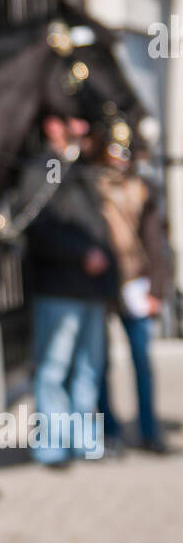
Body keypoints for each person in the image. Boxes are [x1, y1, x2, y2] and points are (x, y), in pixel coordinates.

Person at [23, 115, 117, 465]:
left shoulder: (78, 168)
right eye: (73, 122)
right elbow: (37, 225)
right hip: (60, 288)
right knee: (53, 368)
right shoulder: (43, 169)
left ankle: (85, 441)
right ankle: (53, 445)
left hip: (90, 289)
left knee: (89, 369)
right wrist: (81, 254)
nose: (82, 128)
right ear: (52, 125)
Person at [95, 124, 171, 453]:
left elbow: (157, 244)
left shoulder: (143, 188)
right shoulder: (92, 186)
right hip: (101, 285)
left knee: (142, 361)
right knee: (99, 363)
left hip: (136, 283)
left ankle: (149, 432)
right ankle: (109, 431)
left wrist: (157, 289)